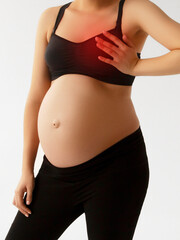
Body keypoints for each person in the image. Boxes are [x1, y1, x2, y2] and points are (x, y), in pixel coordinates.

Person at [5, 0, 180, 239]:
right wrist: (26, 168)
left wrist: (136, 66)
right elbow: (36, 96)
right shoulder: (51, 17)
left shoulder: (134, 10)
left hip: (115, 168)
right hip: (54, 175)